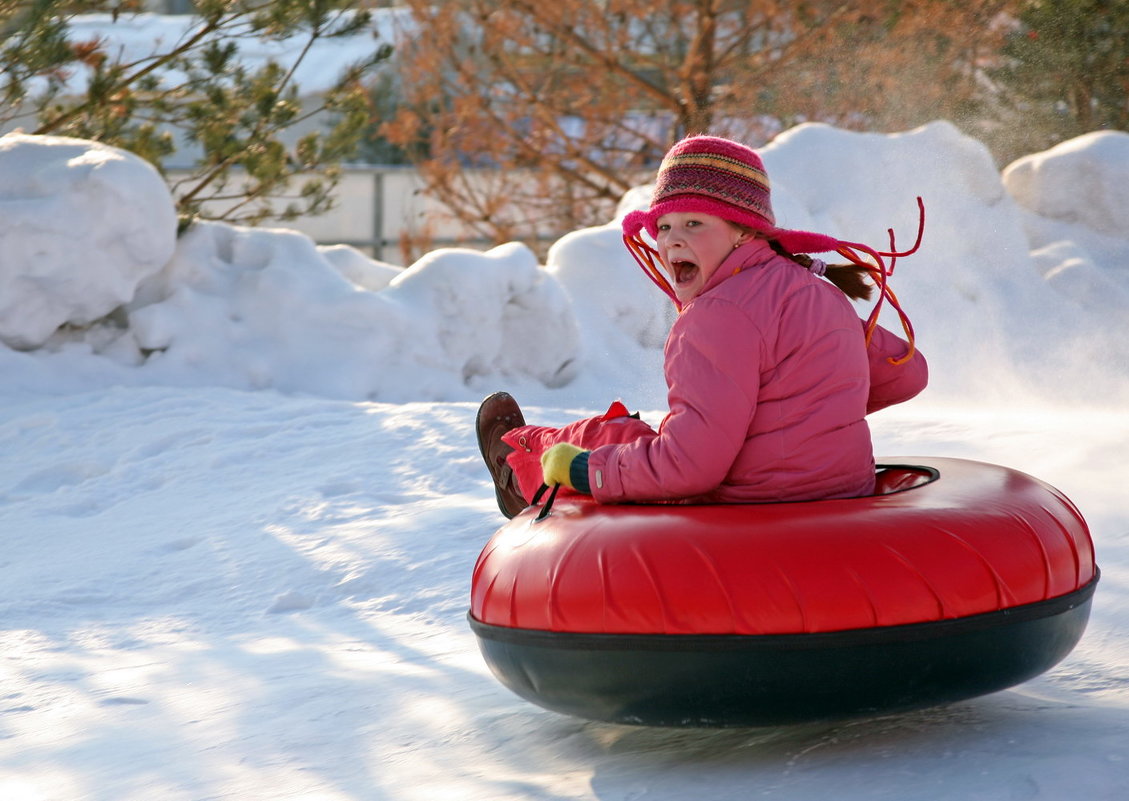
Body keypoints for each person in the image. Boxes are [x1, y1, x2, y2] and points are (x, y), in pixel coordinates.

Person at [477, 134, 928, 518]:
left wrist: (581, 469)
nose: (673, 238)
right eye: (665, 226)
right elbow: (907, 373)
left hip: (753, 507)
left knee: (611, 437)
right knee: (649, 440)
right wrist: (802, 408)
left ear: (744, 232)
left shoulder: (717, 315)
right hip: (839, 495)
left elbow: (691, 468)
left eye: (694, 223)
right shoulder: (819, 291)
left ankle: (519, 463)